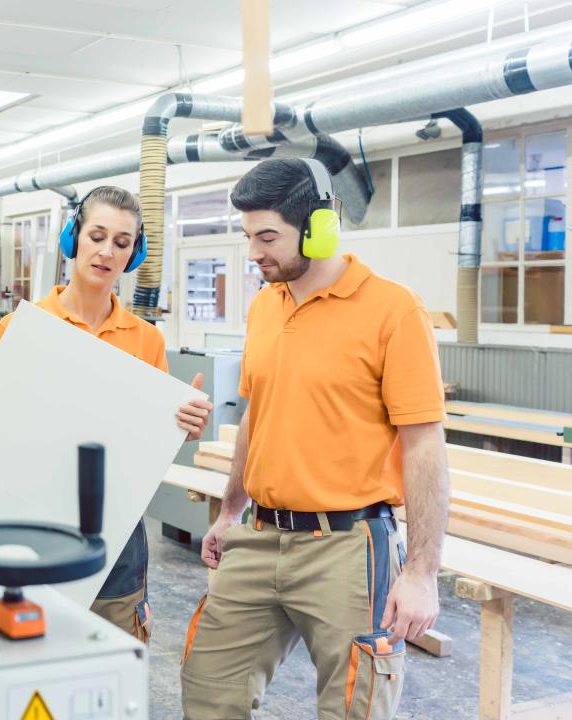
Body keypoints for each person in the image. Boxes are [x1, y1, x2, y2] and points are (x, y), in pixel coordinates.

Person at [179, 159, 450, 719]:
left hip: (348, 547)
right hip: (257, 536)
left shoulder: (393, 310)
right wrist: (230, 509)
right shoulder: (264, 308)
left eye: (268, 236)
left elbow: (424, 445)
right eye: (248, 236)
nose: (254, 251)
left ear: (319, 227)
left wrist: (422, 573)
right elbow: (257, 414)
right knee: (207, 688)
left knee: (356, 704)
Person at [0, 185, 214, 642]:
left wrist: (182, 428)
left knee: (113, 657)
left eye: (121, 242)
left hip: (118, 526)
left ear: (134, 253)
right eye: (96, 236)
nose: (106, 252)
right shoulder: (24, 328)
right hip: (36, 518)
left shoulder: (146, 339)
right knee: (36, 656)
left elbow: (151, 439)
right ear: (74, 239)